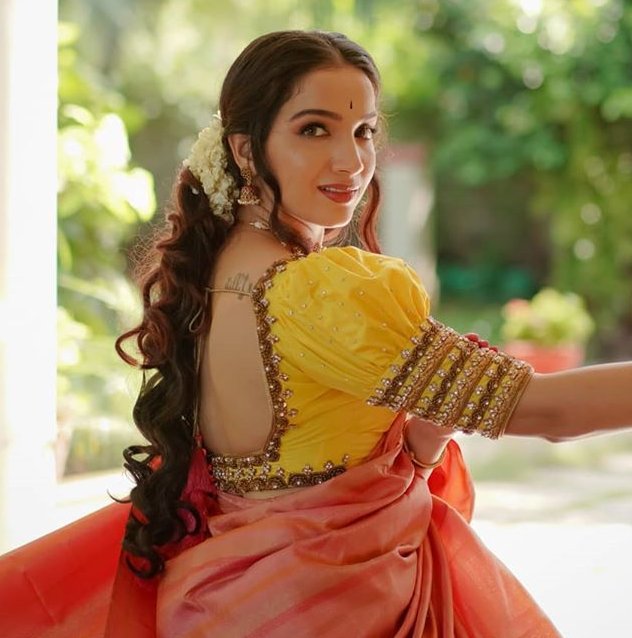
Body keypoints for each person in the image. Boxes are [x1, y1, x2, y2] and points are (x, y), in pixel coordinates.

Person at [2, 29, 630, 638]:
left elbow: (300, 458)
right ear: (246, 150)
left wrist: (427, 429)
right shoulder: (318, 293)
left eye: (363, 132)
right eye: (314, 129)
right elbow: (547, 411)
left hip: (228, 600)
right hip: (327, 605)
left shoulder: (215, 268)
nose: (352, 160)